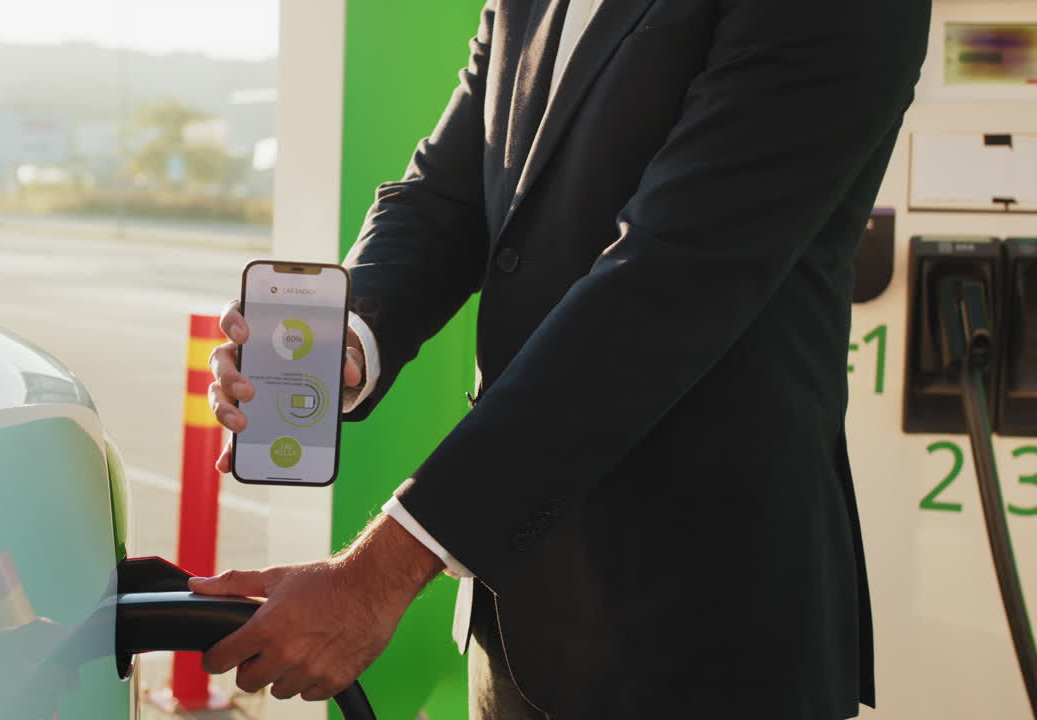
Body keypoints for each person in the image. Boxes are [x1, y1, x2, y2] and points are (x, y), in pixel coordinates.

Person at [192, 0, 932, 716]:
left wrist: (381, 573)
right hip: (520, 625)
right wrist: (343, 341)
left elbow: (669, 283)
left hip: (701, 641)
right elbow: (445, 197)